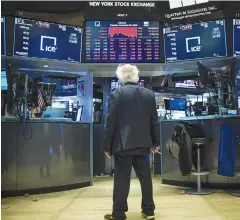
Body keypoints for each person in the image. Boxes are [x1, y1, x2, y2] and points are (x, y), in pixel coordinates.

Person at [103, 64, 160, 220]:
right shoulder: (149, 94)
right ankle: (148, 211)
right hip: (144, 144)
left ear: (120, 77)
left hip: (123, 145)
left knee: (122, 178)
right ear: (137, 76)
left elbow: (111, 122)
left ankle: (119, 213)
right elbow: (154, 121)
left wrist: (107, 145)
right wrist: (156, 142)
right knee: (145, 177)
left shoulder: (117, 94)